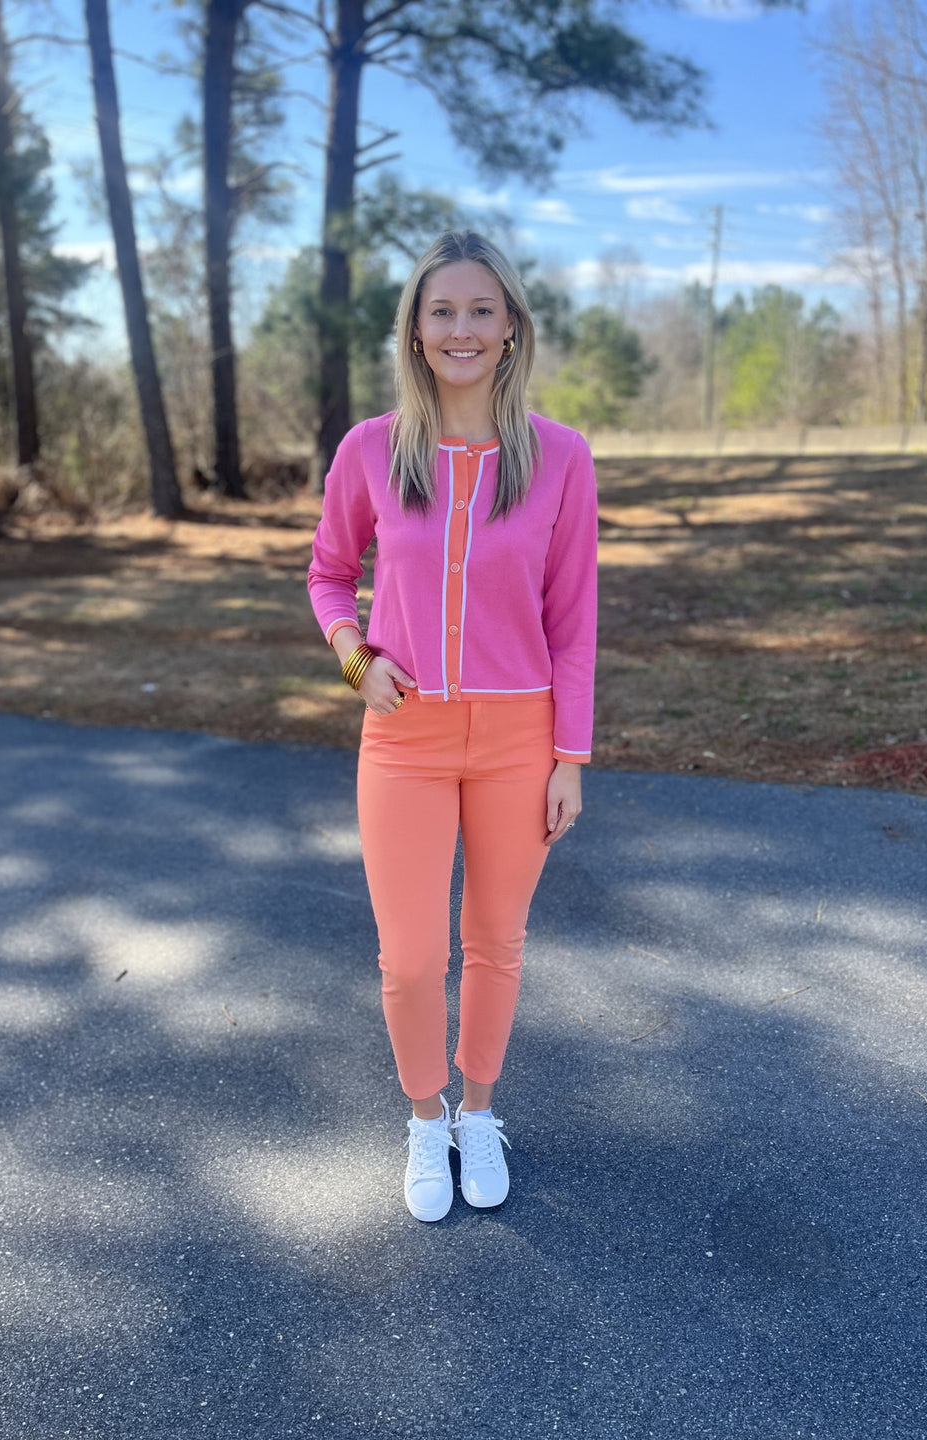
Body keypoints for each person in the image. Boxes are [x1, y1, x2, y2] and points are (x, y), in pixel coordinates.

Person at [307, 230, 598, 1222]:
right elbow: (327, 573)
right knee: (410, 954)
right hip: (407, 740)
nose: (462, 328)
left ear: (512, 327)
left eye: (482, 310)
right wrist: (356, 656)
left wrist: (572, 756)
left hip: (522, 740)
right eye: (443, 311)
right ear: (416, 331)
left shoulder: (561, 458)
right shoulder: (371, 452)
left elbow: (574, 618)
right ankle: (426, 1119)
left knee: (496, 941)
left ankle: (480, 1112)